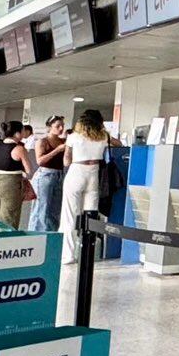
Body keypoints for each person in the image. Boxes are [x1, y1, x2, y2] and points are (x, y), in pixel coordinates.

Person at [59, 108, 110, 264]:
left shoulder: (74, 137)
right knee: (90, 215)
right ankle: (88, 252)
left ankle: (68, 255)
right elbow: (118, 144)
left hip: (76, 172)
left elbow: (66, 160)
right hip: (93, 175)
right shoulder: (104, 137)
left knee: (69, 216)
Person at [0, 122, 34, 228]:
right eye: (22, 131)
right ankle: (5, 243)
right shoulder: (19, 148)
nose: (23, 134)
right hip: (11, 184)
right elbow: (29, 171)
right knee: (9, 219)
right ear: (17, 133)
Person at [27, 116, 67, 232]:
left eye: (62, 126)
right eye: (57, 126)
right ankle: (36, 234)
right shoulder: (42, 141)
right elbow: (40, 161)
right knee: (41, 207)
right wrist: (57, 150)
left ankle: (51, 234)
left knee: (55, 209)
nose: (61, 128)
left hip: (60, 175)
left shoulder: (64, 142)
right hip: (45, 175)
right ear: (49, 127)